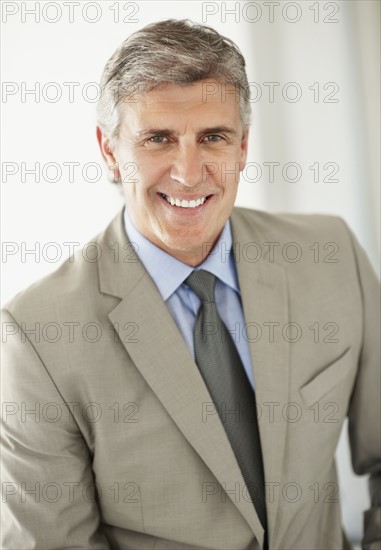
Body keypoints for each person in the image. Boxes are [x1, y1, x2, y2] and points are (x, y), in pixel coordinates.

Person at [1, 19, 380, 550]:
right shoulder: (38, 334)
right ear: (110, 150)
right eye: (158, 138)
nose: (188, 171)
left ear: (243, 147)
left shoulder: (331, 257)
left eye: (213, 137)